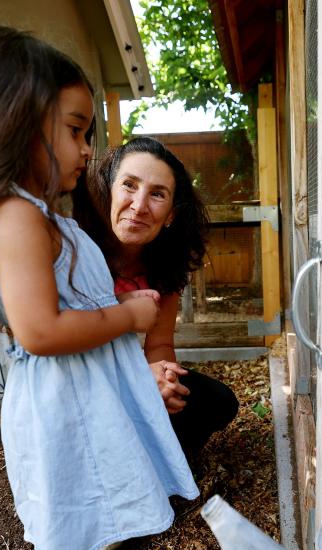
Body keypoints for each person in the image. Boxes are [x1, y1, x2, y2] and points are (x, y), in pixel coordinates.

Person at [0, 24, 198, 550]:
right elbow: (41, 330)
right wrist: (127, 317)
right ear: (17, 123)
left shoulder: (39, 211)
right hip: (56, 403)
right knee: (61, 519)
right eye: (75, 130)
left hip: (77, 396)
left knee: (83, 497)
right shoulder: (16, 214)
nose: (85, 150)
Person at [72, 137, 240, 467]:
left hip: (126, 374)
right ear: (109, 189)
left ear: (171, 215)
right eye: (129, 186)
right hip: (79, 383)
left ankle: (166, 467)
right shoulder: (80, 248)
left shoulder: (168, 261)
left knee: (215, 401)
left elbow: (160, 341)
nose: (139, 205)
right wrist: (123, 307)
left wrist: (162, 378)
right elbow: (62, 333)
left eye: (157, 194)